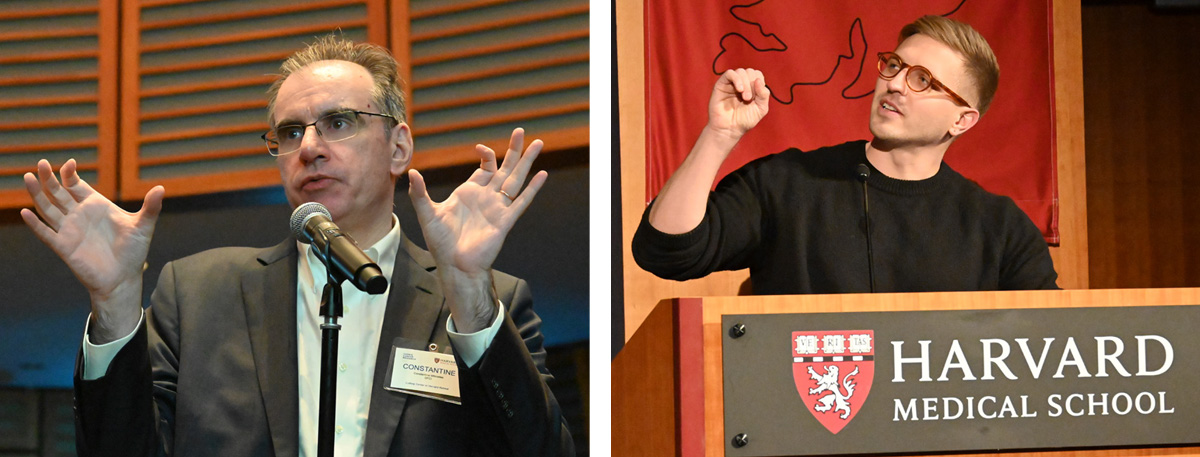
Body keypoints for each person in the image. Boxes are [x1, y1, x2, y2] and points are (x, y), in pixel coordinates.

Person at [20, 34, 573, 456]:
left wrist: (470, 293)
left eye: (338, 122)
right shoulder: (197, 294)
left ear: (398, 146)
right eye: (289, 132)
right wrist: (115, 303)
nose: (309, 147)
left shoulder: (490, 303)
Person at [631, 15, 1058, 294]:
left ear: (962, 120)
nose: (894, 84)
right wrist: (718, 135)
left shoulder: (999, 228)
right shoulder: (790, 182)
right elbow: (668, 252)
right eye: (894, 66)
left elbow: (1050, 345)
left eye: (923, 80)